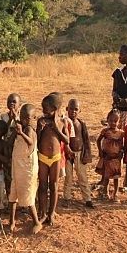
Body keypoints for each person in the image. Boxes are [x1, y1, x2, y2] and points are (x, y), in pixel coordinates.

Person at [37, 93, 73, 225]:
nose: (43, 111)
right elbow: (38, 141)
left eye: (45, 108)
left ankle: (51, 213)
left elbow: (67, 140)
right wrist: (40, 130)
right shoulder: (41, 121)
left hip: (56, 158)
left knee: (54, 186)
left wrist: (57, 129)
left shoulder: (63, 122)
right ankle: (42, 213)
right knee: (42, 186)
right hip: (43, 158)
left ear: (55, 108)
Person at [8, 104, 43, 234]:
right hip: (17, 166)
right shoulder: (20, 126)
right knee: (13, 195)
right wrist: (16, 125)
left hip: (27, 169)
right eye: (23, 117)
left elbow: (30, 143)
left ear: (34, 118)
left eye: (28, 118)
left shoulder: (30, 130)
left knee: (28, 196)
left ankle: (36, 222)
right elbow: (11, 141)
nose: (24, 120)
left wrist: (21, 132)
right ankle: (11, 221)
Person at [62, 99, 94, 208]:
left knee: (82, 177)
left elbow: (86, 140)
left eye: (76, 109)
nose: (73, 111)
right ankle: (67, 197)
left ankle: (87, 199)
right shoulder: (64, 123)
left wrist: (87, 155)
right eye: (71, 109)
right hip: (67, 154)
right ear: (67, 109)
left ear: (80, 111)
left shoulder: (81, 124)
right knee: (68, 177)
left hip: (79, 153)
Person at [96, 109, 124, 201]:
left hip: (116, 159)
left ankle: (115, 194)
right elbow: (98, 140)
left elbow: (124, 144)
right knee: (106, 177)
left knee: (116, 177)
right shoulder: (105, 131)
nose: (113, 123)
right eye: (111, 121)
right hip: (107, 157)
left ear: (119, 122)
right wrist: (100, 150)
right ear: (107, 120)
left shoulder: (121, 133)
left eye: (115, 121)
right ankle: (105, 193)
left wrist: (122, 152)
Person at [0, 93, 21, 196]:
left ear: (19, 105)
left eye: (14, 102)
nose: (11, 103)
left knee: (17, 175)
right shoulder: (3, 117)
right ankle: (9, 198)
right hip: (6, 149)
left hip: (18, 149)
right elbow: (2, 131)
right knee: (7, 175)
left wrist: (16, 118)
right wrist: (10, 120)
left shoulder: (22, 117)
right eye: (9, 101)